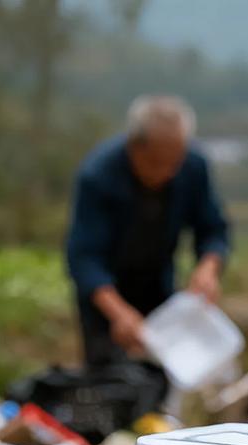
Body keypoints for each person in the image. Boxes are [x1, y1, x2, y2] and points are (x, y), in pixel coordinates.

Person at [66, 96, 231, 366]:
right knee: (107, 377)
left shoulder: (194, 167)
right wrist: (119, 314)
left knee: (161, 371)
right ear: (134, 146)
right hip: (106, 298)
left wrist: (207, 269)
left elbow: (213, 228)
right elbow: (84, 257)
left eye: (174, 162)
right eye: (155, 162)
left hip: (159, 288)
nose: (166, 172)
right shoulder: (98, 175)